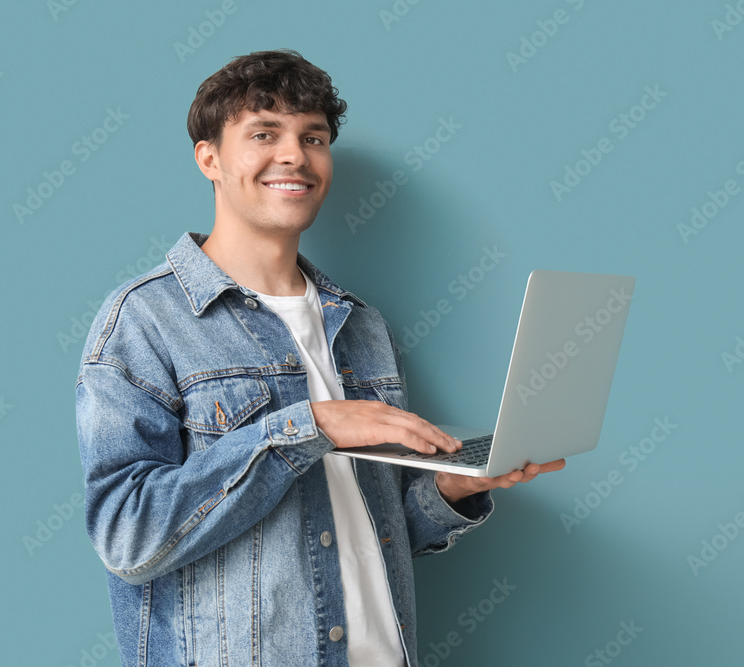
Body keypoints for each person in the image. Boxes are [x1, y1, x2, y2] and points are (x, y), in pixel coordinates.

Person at [75, 48, 564, 667]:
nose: (294, 155)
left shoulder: (362, 326)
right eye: (263, 133)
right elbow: (129, 536)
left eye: (314, 137)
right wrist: (310, 426)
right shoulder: (145, 321)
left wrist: (449, 489)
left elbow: (359, 538)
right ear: (210, 160)